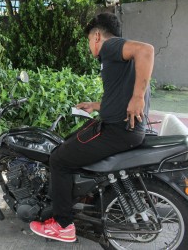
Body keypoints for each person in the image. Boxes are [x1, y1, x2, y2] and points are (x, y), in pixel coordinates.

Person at [30, 12, 154, 242]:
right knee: (67, 143)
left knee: (58, 159)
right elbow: (120, 93)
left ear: (97, 36)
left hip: (118, 131)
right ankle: (82, 198)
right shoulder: (118, 57)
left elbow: (146, 50)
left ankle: (63, 225)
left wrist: (139, 97)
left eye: (88, 40)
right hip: (123, 128)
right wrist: (95, 105)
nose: (89, 46)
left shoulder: (110, 46)